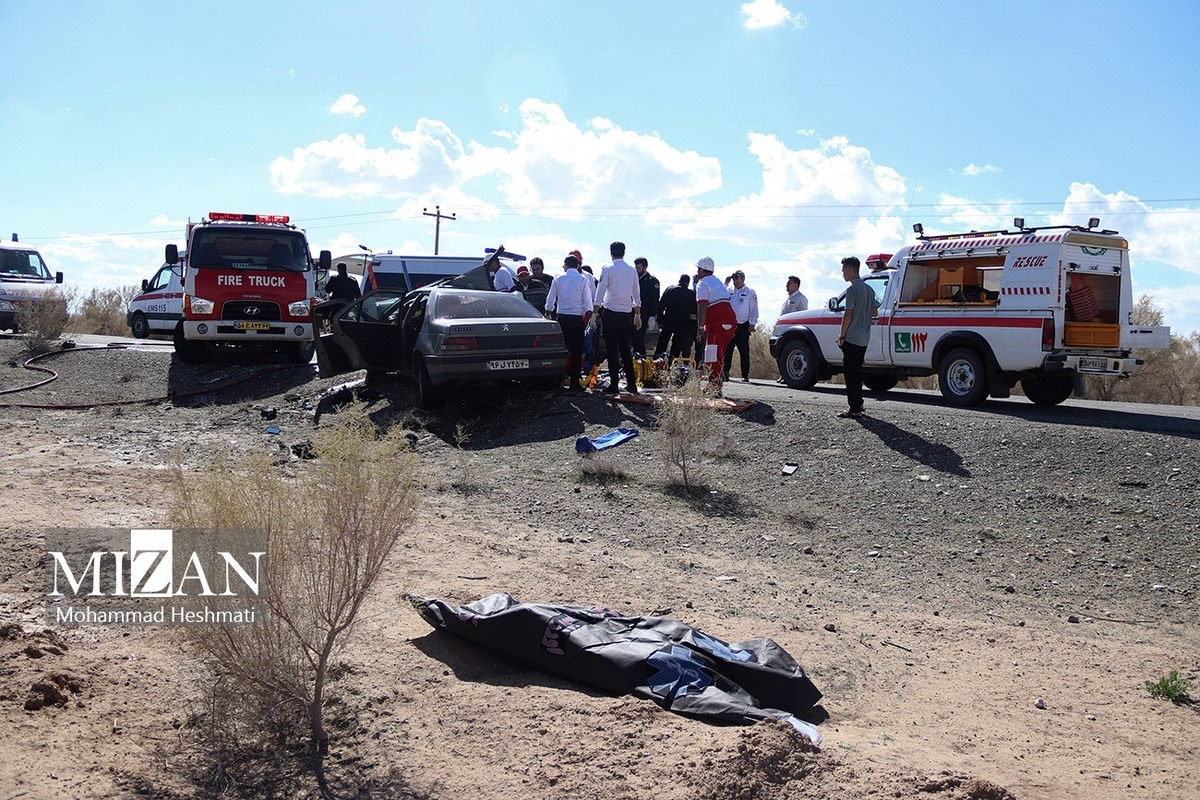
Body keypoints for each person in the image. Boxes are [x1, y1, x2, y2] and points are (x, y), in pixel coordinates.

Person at [593, 241, 641, 395]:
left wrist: (595, 312)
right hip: (626, 314)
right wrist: (638, 314)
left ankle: (614, 384)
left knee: (612, 349)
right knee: (626, 348)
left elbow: (600, 292)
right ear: (624, 253)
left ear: (611, 253)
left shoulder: (607, 269)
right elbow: (636, 294)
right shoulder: (632, 271)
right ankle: (631, 384)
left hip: (611, 312)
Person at [836, 256, 880, 419]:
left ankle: (854, 408)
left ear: (849, 270)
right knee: (858, 372)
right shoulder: (869, 289)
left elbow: (847, 314)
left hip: (852, 337)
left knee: (851, 374)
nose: (842, 274)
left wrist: (842, 335)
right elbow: (875, 311)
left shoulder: (852, 290)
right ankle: (859, 403)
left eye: (843, 270)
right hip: (864, 337)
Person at [544, 254, 594, 391]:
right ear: (578, 266)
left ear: (565, 265)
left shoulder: (558, 278)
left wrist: (548, 312)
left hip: (562, 318)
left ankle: (558, 380)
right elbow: (588, 302)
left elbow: (550, 300)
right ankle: (574, 383)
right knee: (577, 352)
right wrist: (588, 314)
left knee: (561, 350)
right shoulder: (583, 279)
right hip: (577, 320)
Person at [693, 257, 736, 390]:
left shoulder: (703, 283)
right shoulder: (717, 282)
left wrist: (700, 327)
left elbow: (702, 305)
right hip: (730, 321)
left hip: (718, 324)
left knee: (712, 354)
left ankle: (714, 386)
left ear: (701, 270)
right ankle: (716, 383)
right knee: (719, 354)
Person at [722, 270, 759, 383]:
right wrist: (725, 283)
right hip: (730, 324)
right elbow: (720, 296)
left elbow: (754, 308)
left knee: (743, 350)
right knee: (728, 350)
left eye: (736, 278)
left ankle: (745, 375)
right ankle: (725, 373)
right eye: (733, 278)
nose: (734, 281)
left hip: (743, 325)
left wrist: (753, 323)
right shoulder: (729, 290)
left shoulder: (749, 292)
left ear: (743, 278)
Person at [655, 274, 697, 361]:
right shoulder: (691, 294)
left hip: (668, 321)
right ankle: (671, 364)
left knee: (662, 344)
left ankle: (657, 363)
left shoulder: (670, 289)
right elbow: (694, 311)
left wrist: (660, 320)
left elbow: (661, 305)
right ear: (688, 283)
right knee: (676, 347)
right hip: (683, 324)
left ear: (679, 280)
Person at [632, 257, 660, 357]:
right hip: (633, 313)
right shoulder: (633, 279)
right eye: (635, 267)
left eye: (638, 268)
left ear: (645, 267)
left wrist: (652, 316)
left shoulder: (652, 281)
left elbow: (655, 300)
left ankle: (641, 361)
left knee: (638, 338)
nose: (636, 270)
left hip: (644, 314)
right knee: (633, 339)